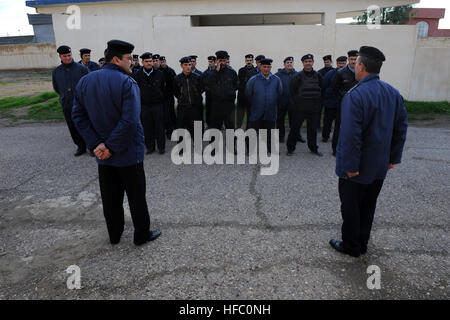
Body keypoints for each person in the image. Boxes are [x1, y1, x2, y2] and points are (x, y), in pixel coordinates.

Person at [72, 39, 161, 246]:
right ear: (116, 59)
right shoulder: (126, 82)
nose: (132, 62)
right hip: (128, 153)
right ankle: (141, 235)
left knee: (110, 199)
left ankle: (114, 235)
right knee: (136, 197)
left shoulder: (86, 81)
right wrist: (110, 146)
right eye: (129, 59)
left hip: (102, 155)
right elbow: (129, 121)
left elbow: (78, 116)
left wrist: (98, 145)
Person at [330, 46, 407, 257]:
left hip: (357, 168)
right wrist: (393, 158)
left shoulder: (355, 95)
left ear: (361, 66)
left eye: (356, 64)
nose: (354, 67)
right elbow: (401, 129)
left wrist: (350, 167)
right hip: (379, 166)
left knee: (351, 207)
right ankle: (362, 242)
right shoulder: (393, 92)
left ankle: (351, 245)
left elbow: (350, 136)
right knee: (368, 205)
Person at [52, 45, 89, 156]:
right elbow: (56, 87)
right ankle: (80, 146)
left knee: (86, 124)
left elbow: (88, 85)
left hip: (82, 104)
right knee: (72, 126)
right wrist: (64, 96)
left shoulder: (82, 69)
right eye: (65, 56)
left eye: (69, 55)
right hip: (67, 103)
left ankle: (92, 146)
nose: (68, 58)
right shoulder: (56, 71)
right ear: (60, 56)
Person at [287, 54, 324, 157]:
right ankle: (290, 148)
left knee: (312, 130)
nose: (308, 63)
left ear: (313, 62)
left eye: (310, 61)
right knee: (295, 129)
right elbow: (292, 91)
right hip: (300, 109)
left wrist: (318, 105)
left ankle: (313, 148)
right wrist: (297, 104)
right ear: (303, 63)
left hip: (313, 108)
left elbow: (322, 90)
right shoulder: (297, 76)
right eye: (306, 61)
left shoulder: (318, 75)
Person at [245, 58, 282, 153]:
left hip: (270, 111)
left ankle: (270, 148)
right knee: (252, 131)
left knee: (269, 131)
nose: (266, 69)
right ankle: (250, 149)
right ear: (260, 67)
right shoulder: (253, 80)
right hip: (256, 110)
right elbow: (248, 94)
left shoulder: (276, 80)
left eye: (268, 67)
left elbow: (279, 93)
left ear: (271, 67)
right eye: (264, 67)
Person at [132, 52, 166, 154]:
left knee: (159, 127)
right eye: (146, 61)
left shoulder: (159, 74)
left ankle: (161, 147)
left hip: (157, 105)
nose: (149, 63)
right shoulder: (137, 75)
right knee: (147, 127)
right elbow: (135, 90)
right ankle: (150, 147)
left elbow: (163, 88)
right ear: (142, 62)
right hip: (144, 106)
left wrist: (159, 97)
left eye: (150, 61)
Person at [331, 49, 359, 156]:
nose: (353, 61)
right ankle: (335, 149)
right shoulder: (341, 72)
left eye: (355, 59)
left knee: (355, 128)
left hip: (358, 106)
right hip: (343, 105)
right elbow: (335, 88)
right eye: (351, 59)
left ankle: (351, 149)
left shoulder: (361, 71)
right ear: (348, 59)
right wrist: (343, 98)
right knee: (339, 127)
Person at [205, 50, 238, 132]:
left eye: (223, 60)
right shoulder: (212, 73)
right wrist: (217, 71)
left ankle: (230, 144)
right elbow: (209, 83)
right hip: (216, 104)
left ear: (226, 60)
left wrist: (230, 94)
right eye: (220, 61)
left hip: (228, 104)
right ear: (216, 61)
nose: (222, 63)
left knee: (230, 128)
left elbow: (236, 85)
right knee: (215, 128)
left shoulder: (232, 72)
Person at [173, 56, 204, 138]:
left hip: (195, 107)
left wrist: (196, 99)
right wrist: (181, 98)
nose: (188, 67)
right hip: (183, 107)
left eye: (189, 64)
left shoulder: (197, 77)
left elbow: (201, 89)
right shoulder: (177, 79)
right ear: (181, 66)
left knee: (197, 129)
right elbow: (176, 92)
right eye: (186, 65)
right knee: (181, 129)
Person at [321, 56, 347, 143]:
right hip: (330, 102)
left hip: (343, 103)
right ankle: (325, 136)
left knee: (340, 123)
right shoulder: (331, 73)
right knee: (327, 121)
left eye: (343, 63)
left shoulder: (350, 74)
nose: (341, 65)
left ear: (346, 63)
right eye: (340, 63)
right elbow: (324, 85)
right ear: (336, 64)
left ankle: (338, 138)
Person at [274, 56, 299, 143]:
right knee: (280, 121)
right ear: (284, 64)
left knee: (294, 121)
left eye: (291, 62)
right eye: (287, 63)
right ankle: (281, 137)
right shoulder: (278, 75)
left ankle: (294, 137)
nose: (289, 64)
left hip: (293, 102)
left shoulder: (297, 75)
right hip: (281, 102)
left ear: (293, 64)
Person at [237, 54, 258, 129]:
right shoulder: (241, 70)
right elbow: (238, 82)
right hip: (242, 97)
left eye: (250, 60)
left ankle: (249, 132)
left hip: (251, 98)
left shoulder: (256, 72)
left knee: (250, 116)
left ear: (253, 61)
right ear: (245, 61)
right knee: (239, 116)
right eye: (247, 60)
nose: (249, 62)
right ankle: (238, 131)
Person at [159, 56, 177, 139]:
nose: (162, 63)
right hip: (161, 97)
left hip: (169, 96)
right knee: (163, 115)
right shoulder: (158, 71)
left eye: (163, 62)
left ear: (165, 62)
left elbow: (175, 83)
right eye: (161, 62)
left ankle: (172, 130)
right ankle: (166, 131)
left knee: (170, 114)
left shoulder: (170, 71)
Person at [316, 55, 334, 131]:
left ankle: (326, 128)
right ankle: (317, 126)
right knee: (318, 112)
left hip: (330, 96)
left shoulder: (334, 71)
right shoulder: (320, 72)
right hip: (320, 95)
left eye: (328, 62)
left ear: (331, 62)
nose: (327, 63)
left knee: (328, 114)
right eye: (325, 62)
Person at [203, 55, 217, 128]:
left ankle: (215, 124)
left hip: (216, 94)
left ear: (215, 62)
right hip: (208, 94)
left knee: (216, 110)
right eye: (209, 62)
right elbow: (204, 82)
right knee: (208, 109)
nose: (210, 63)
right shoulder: (205, 72)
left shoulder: (218, 71)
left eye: (211, 62)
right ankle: (208, 124)